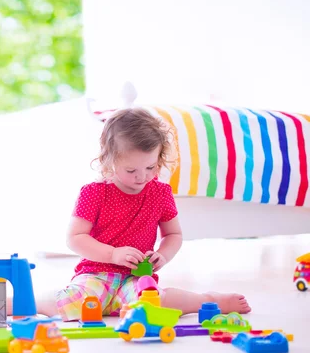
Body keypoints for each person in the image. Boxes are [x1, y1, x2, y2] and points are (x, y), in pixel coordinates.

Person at [41, 108, 252, 321]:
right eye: (131, 170)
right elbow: (75, 238)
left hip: (137, 277)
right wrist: (113, 254)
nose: (142, 177)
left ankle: (208, 300)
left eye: (150, 167)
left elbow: (173, 235)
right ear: (109, 160)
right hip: (97, 275)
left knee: (155, 303)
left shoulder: (160, 193)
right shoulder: (94, 192)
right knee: (70, 304)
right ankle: (26, 302)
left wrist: (163, 254)